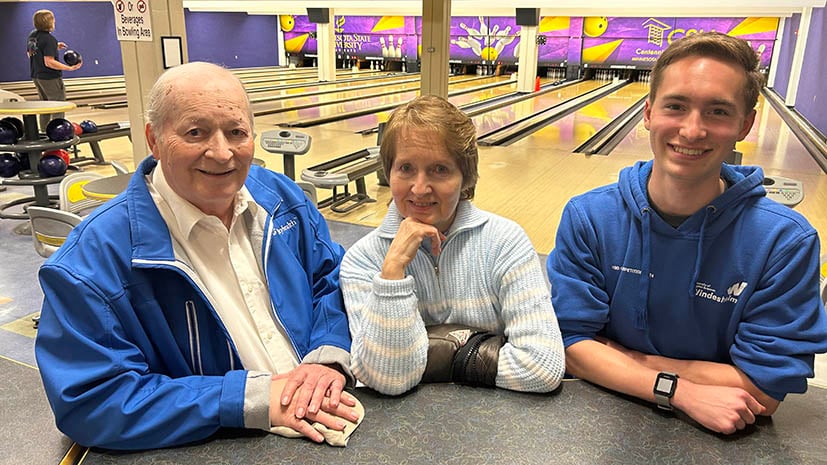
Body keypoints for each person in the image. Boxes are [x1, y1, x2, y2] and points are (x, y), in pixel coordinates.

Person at [35, 62, 362, 450]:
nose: (222, 153)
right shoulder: (90, 263)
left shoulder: (282, 200)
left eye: (236, 132)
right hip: (228, 446)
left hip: (333, 413)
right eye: (196, 132)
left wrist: (326, 358)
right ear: (153, 140)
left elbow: (332, 281)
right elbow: (93, 401)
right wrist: (245, 400)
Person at [547, 32, 827, 435]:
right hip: (596, 424)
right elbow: (571, 346)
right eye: (676, 106)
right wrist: (678, 390)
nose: (692, 130)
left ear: (745, 124)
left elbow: (766, 389)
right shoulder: (590, 217)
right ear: (647, 112)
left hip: (724, 435)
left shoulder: (784, 243)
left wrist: (622, 360)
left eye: (717, 111)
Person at [340, 95, 565, 396]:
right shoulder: (364, 261)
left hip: (497, 428)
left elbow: (543, 366)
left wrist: (437, 355)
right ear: (389, 172)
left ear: (465, 177)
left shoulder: (505, 242)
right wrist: (392, 272)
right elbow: (387, 378)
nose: (420, 188)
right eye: (405, 168)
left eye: (440, 169)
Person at [26, 9, 82, 128]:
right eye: (53, 20)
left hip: (37, 76)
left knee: (44, 105)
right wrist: (69, 68)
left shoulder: (33, 35)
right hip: (50, 78)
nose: (54, 22)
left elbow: (30, 53)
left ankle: (44, 132)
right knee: (58, 105)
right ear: (49, 23)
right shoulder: (49, 39)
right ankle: (57, 132)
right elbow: (49, 62)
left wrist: (54, 47)